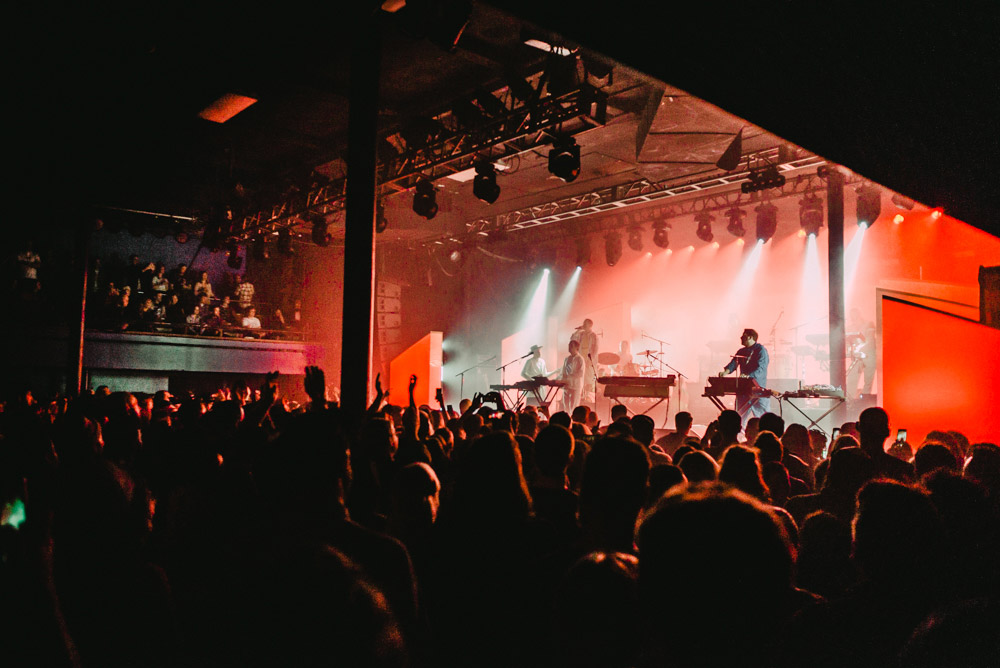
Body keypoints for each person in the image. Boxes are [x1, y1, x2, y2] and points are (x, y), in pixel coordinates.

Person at [719, 328, 770, 425]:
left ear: (750, 337)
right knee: (739, 417)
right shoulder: (741, 351)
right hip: (743, 389)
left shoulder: (761, 350)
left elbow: (761, 368)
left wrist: (749, 376)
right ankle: (739, 432)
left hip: (757, 389)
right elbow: (733, 364)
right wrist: (725, 372)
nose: (741, 337)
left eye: (743, 336)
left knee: (763, 418)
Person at [570, 319, 599, 405]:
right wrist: (577, 331)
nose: (584, 325)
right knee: (580, 378)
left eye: (585, 324)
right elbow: (572, 340)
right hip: (581, 360)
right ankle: (581, 397)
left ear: (590, 325)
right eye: (583, 324)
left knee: (589, 380)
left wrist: (591, 360)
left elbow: (595, 349)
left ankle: (589, 398)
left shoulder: (594, 336)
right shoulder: (581, 334)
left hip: (589, 360)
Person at [560, 339, 585, 412]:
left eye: (571, 346)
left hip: (575, 386)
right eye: (569, 345)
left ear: (577, 348)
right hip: (567, 386)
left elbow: (580, 373)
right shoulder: (567, 359)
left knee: (574, 406)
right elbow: (563, 372)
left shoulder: (580, 359)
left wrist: (570, 376)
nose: (569, 347)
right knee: (566, 406)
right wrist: (562, 381)